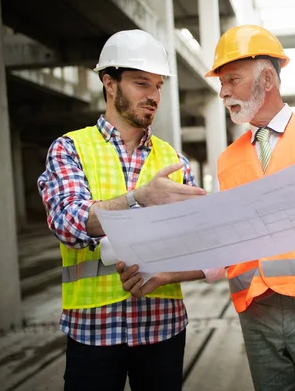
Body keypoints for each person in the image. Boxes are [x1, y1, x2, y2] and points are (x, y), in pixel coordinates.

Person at [119, 24, 295, 391]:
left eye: (232, 79)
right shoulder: (227, 160)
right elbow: (225, 249)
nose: (223, 92)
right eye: (221, 83)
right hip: (257, 319)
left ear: (267, 79)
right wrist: (164, 272)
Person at [37, 29, 206, 391]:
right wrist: (138, 199)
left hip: (163, 327)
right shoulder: (70, 148)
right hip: (93, 331)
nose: (154, 96)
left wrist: (168, 269)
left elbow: (200, 244)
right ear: (109, 83)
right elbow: (68, 222)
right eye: (142, 83)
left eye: (158, 85)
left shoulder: (173, 160)